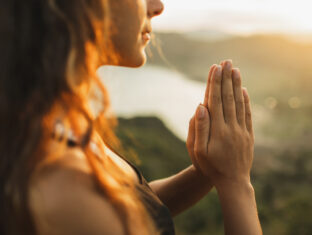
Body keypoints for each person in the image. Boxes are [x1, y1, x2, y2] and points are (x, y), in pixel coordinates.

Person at [0, 0, 262, 234]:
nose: (157, 6)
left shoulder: (47, 123)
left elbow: (134, 205)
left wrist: (207, 172)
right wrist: (236, 184)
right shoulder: (66, 187)